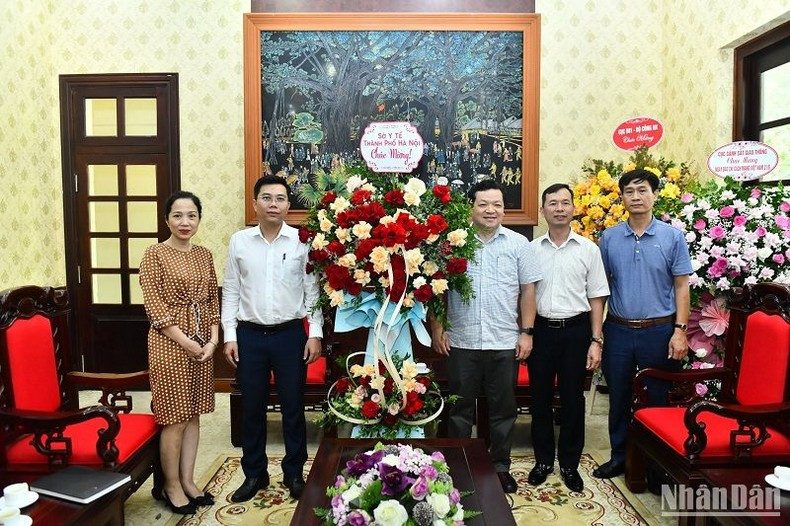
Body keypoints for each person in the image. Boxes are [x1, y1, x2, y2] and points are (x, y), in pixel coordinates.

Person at [430, 179, 541, 494]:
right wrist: (438, 328)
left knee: (503, 410)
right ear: (471, 207)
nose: (491, 210)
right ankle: (459, 464)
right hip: (461, 341)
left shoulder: (519, 245)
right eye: (484, 204)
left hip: (504, 342)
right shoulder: (451, 243)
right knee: (460, 410)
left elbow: (528, 292)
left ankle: (500, 467)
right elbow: (437, 290)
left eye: (497, 205)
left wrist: (527, 333)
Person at [222, 174, 323, 502]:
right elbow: (232, 290)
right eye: (266, 198)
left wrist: (315, 334)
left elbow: (312, 291)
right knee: (252, 408)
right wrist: (229, 335)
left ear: (288, 205)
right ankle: (255, 474)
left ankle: (294, 473)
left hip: (290, 335)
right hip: (249, 336)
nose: (273, 204)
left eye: (280, 198)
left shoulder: (301, 241)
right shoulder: (239, 241)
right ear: (255, 204)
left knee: (293, 407)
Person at [593, 169, 692, 481]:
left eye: (642, 190)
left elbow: (681, 287)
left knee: (658, 399)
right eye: (629, 191)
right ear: (621, 197)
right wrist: (597, 335)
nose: (635, 197)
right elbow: (600, 287)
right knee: (618, 397)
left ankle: (657, 464)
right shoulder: (608, 238)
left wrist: (680, 330)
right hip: (619, 330)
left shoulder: (672, 237)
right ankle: (620, 457)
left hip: (660, 331)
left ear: (655, 195)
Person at [139, 191, 219, 515]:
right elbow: (154, 307)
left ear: (199, 219)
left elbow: (213, 299)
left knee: (194, 413)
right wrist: (186, 341)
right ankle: (169, 485)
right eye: (178, 215)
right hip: (169, 341)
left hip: (203, 344)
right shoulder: (154, 254)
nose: (185, 222)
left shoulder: (204, 254)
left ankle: (187, 480)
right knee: (175, 417)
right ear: (167, 219)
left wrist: (212, 341)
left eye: (191, 216)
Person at [528, 183, 609, 492]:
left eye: (565, 203)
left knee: (573, 400)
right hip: (542, 332)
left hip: (577, 332)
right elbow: (525, 296)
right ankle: (543, 461)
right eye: (553, 203)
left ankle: (570, 464)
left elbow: (597, 298)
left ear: (574, 208)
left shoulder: (589, 249)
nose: (559, 208)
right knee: (540, 400)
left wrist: (595, 340)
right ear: (543, 210)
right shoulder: (532, 250)